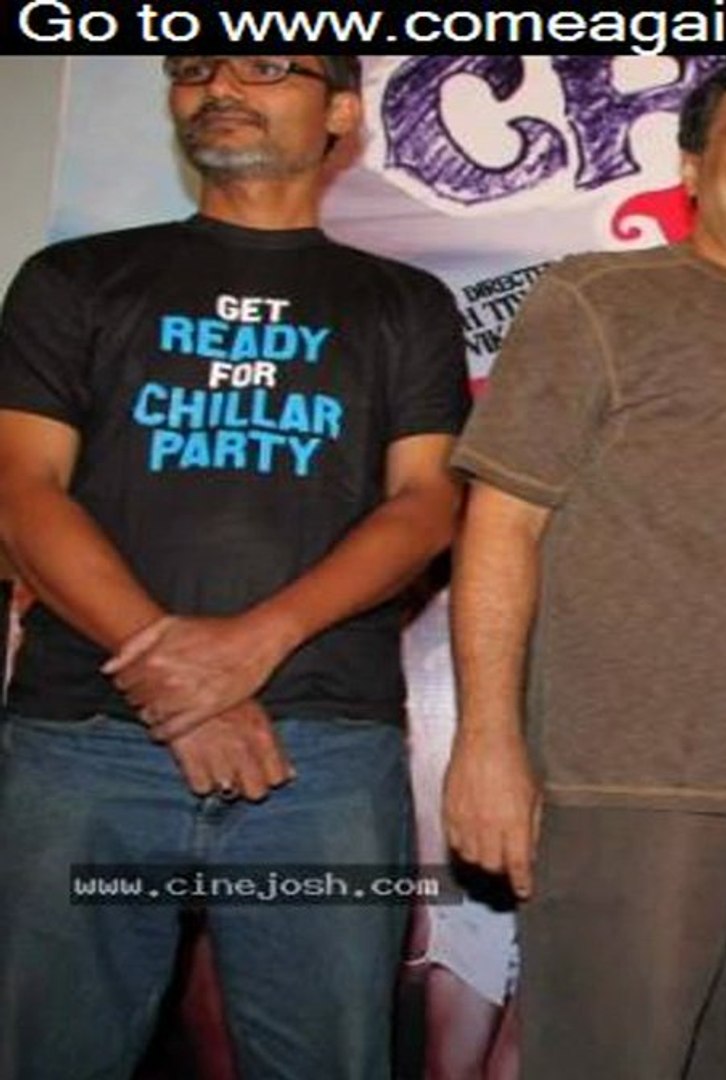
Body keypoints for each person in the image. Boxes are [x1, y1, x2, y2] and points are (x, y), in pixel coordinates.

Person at [0, 55, 469, 1078]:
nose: (219, 86)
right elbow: (22, 491)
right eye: (193, 67)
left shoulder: (404, 303)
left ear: (339, 109)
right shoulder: (72, 279)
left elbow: (427, 506)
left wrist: (250, 647)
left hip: (323, 756)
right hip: (85, 743)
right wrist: (184, 686)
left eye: (262, 66)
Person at [440, 57, 726, 1077]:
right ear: (692, 168)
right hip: (628, 787)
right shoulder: (598, 299)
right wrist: (487, 741)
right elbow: (501, 524)